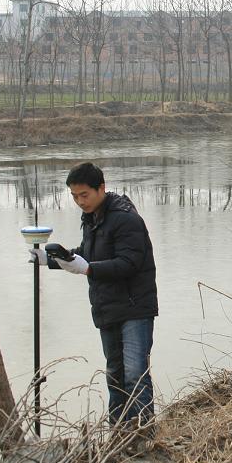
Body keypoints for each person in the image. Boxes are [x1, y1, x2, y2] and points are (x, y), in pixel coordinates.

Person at [29, 162, 158, 437]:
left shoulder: (126, 219)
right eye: (74, 196)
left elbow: (129, 263)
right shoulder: (92, 218)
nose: (79, 201)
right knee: (115, 375)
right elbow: (87, 253)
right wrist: (51, 260)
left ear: (101, 188)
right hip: (106, 308)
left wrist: (87, 268)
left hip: (135, 307)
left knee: (135, 374)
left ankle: (145, 435)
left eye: (84, 195)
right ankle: (119, 435)